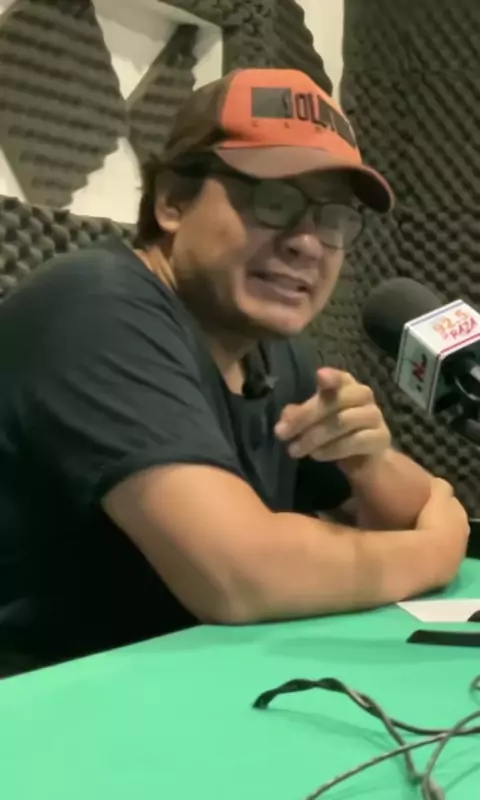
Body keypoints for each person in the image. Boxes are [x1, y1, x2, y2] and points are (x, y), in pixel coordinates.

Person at [0, 67, 469, 672]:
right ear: (172, 201)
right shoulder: (95, 309)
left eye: (331, 218)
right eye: (272, 201)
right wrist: (435, 552)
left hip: (170, 681)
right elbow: (239, 573)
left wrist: (370, 464)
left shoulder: (272, 350)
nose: (307, 243)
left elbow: (412, 506)